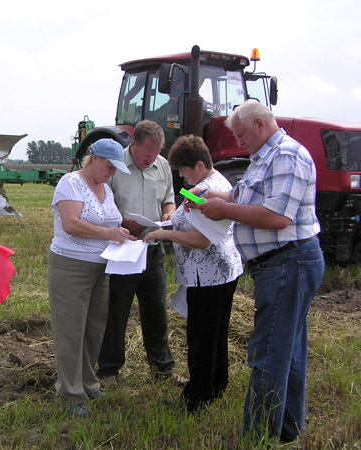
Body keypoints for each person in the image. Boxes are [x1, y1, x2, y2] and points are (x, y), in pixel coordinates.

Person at [189, 100, 325, 442]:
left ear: (261, 124)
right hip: (281, 265)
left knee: (268, 355)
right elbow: (242, 195)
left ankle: (256, 438)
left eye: (241, 134)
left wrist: (224, 211)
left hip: (288, 264)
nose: (239, 141)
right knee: (289, 351)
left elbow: (278, 216)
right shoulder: (264, 158)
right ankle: (286, 430)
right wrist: (210, 198)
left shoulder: (287, 156)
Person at [143, 135, 243, 412]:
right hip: (220, 272)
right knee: (215, 334)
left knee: (201, 337)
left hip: (208, 274)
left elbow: (202, 239)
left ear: (199, 165)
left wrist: (165, 233)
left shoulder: (209, 189)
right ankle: (214, 385)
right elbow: (188, 213)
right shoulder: (215, 185)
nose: (181, 177)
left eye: (183, 171)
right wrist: (171, 220)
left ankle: (196, 397)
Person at [48, 138, 134, 418]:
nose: (112, 173)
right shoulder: (70, 183)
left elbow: (113, 222)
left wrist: (124, 236)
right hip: (70, 266)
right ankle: (69, 394)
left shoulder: (106, 189)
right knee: (71, 329)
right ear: (94, 158)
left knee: (94, 327)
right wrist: (109, 234)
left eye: (115, 169)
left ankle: (87, 382)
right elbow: (71, 224)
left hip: (102, 266)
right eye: (109, 166)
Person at [96, 120, 184, 385]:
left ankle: (162, 370)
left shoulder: (163, 166)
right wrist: (123, 222)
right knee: (116, 312)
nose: (150, 160)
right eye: (146, 155)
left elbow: (168, 197)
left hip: (152, 250)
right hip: (123, 250)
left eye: (155, 155)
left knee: (157, 311)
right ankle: (109, 369)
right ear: (132, 144)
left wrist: (169, 213)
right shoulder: (115, 166)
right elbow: (101, 205)